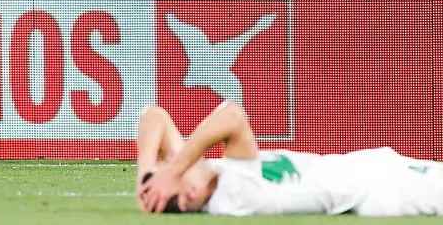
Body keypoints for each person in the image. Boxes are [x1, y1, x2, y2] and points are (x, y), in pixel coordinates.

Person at [136, 102, 443, 216]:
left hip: (369, 168)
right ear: (192, 193)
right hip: (382, 191)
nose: (175, 162)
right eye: (173, 169)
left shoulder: (209, 177)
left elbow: (155, 117)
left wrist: (147, 177)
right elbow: (231, 116)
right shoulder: (236, 195)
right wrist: (172, 169)